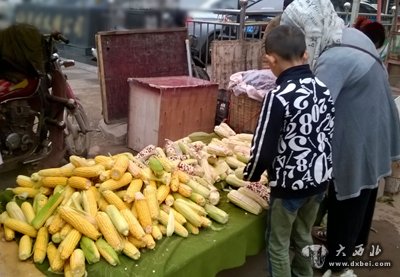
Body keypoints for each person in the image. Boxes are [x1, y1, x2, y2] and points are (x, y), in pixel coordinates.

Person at [281, 0, 400, 276]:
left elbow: (313, 111)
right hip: (374, 118)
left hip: (359, 130)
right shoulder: (346, 34)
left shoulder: (332, 59)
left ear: (308, 30)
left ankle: (339, 266)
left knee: (349, 192)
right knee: (366, 188)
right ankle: (352, 245)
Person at [243, 24, 335, 277]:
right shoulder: (323, 89)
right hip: (319, 181)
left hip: (290, 185)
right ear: (305, 54)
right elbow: (327, 133)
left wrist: (249, 176)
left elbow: (263, 146)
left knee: (278, 243)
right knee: (303, 235)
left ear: (270, 60)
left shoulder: (279, 96)